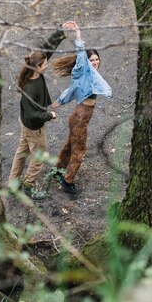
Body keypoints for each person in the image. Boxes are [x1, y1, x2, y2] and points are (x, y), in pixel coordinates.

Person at [51, 21, 112, 194]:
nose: (95, 62)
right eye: (91, 60)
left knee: (70, 145)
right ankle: (67, 179)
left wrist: (61, 101)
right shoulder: (83, 68)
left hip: (79, 116)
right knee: (80, 150)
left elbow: (73, 88)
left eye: (97, 59)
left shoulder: (90, 75)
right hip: (80, 117)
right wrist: (78, 34)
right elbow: (81, 55)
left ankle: (58, 169)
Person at [8, 28, 66, 200]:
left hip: (26, 123)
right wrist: (50, 115)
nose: (47, 65)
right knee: (39, 155)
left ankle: (13, 181)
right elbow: (34, 114)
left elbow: (47, 49)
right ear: (38, 67)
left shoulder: (34, 70)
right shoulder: (29, 89)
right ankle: (28, 184)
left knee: (22, 151)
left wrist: (61, 31)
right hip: (33, 127)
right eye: (45, 65)